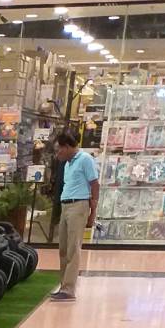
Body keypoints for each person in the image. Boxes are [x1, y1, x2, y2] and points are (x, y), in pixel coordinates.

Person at [51, 129, 99, 300]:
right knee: (63, 249)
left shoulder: (85, 159)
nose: (58, 153)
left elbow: (95, 184)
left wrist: (92, 212)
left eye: (59, 149)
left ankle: (69, 289)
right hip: (66, 205)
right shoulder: (68, 164)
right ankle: (63, 284)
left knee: (73, 248)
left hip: (78, 205)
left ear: (67, 146)